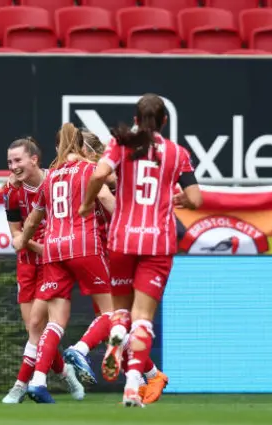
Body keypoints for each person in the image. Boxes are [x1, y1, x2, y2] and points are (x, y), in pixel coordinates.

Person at [78, 94, 202, 407]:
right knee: (143, 317)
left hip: (122, 238)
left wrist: (85, 203)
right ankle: (133, 385)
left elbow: (97, 174)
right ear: (164, 121)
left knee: (121, 312)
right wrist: (180, 200)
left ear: (135, 119)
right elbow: (197, 199)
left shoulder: (121, 145)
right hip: (157, 241)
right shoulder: (177, 153)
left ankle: (117, 335)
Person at [12, 123, 116, 404]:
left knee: (54, 322)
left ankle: (37, 381)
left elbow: (34, 218)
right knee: (112, 313)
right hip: (84, 246)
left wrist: (22, 240)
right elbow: (107, 199)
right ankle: (81, 349)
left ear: (59, 146)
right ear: (82, 145)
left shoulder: (52, 176)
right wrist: (127, 224)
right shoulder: (89, 171)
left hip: (54, 250)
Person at [68, 130, 170, 405]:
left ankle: (82, 350)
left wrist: (125, 225)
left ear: (87, 152)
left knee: (116, 317)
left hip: (115, 250)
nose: (67, 156)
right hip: (101, 250)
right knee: (115, 324)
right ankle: (151, 375)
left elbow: (107, 199)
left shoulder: (100, 172)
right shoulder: (91, 172)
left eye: (72, 151)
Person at [1, 137, 84, 403]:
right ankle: (65, 373)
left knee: (39, 326)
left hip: (54, 263)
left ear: (34, 160)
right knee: (35, 331)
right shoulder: (10, 191)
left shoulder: (57, 181)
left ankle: (21, 384)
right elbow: (16, 236)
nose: (13, 166)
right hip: (28, 264)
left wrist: (44, 247)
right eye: (10, 162)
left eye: (18, 160)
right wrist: (30, 244)